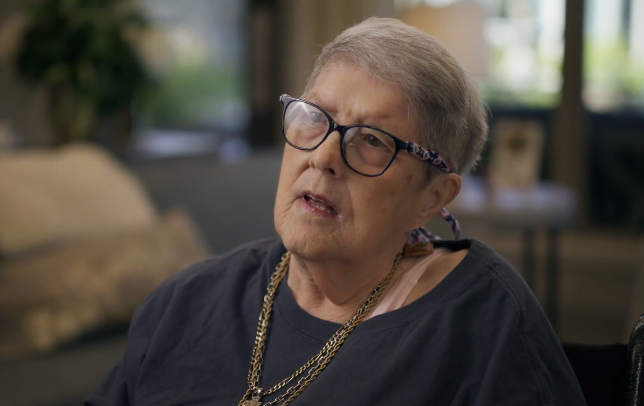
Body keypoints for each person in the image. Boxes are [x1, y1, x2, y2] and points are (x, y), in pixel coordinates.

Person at [86, 18, 585, 405]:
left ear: (432, 197)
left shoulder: (486, 326)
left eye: (372, 141)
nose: (323, 156)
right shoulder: (185, 303)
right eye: (314, 117)